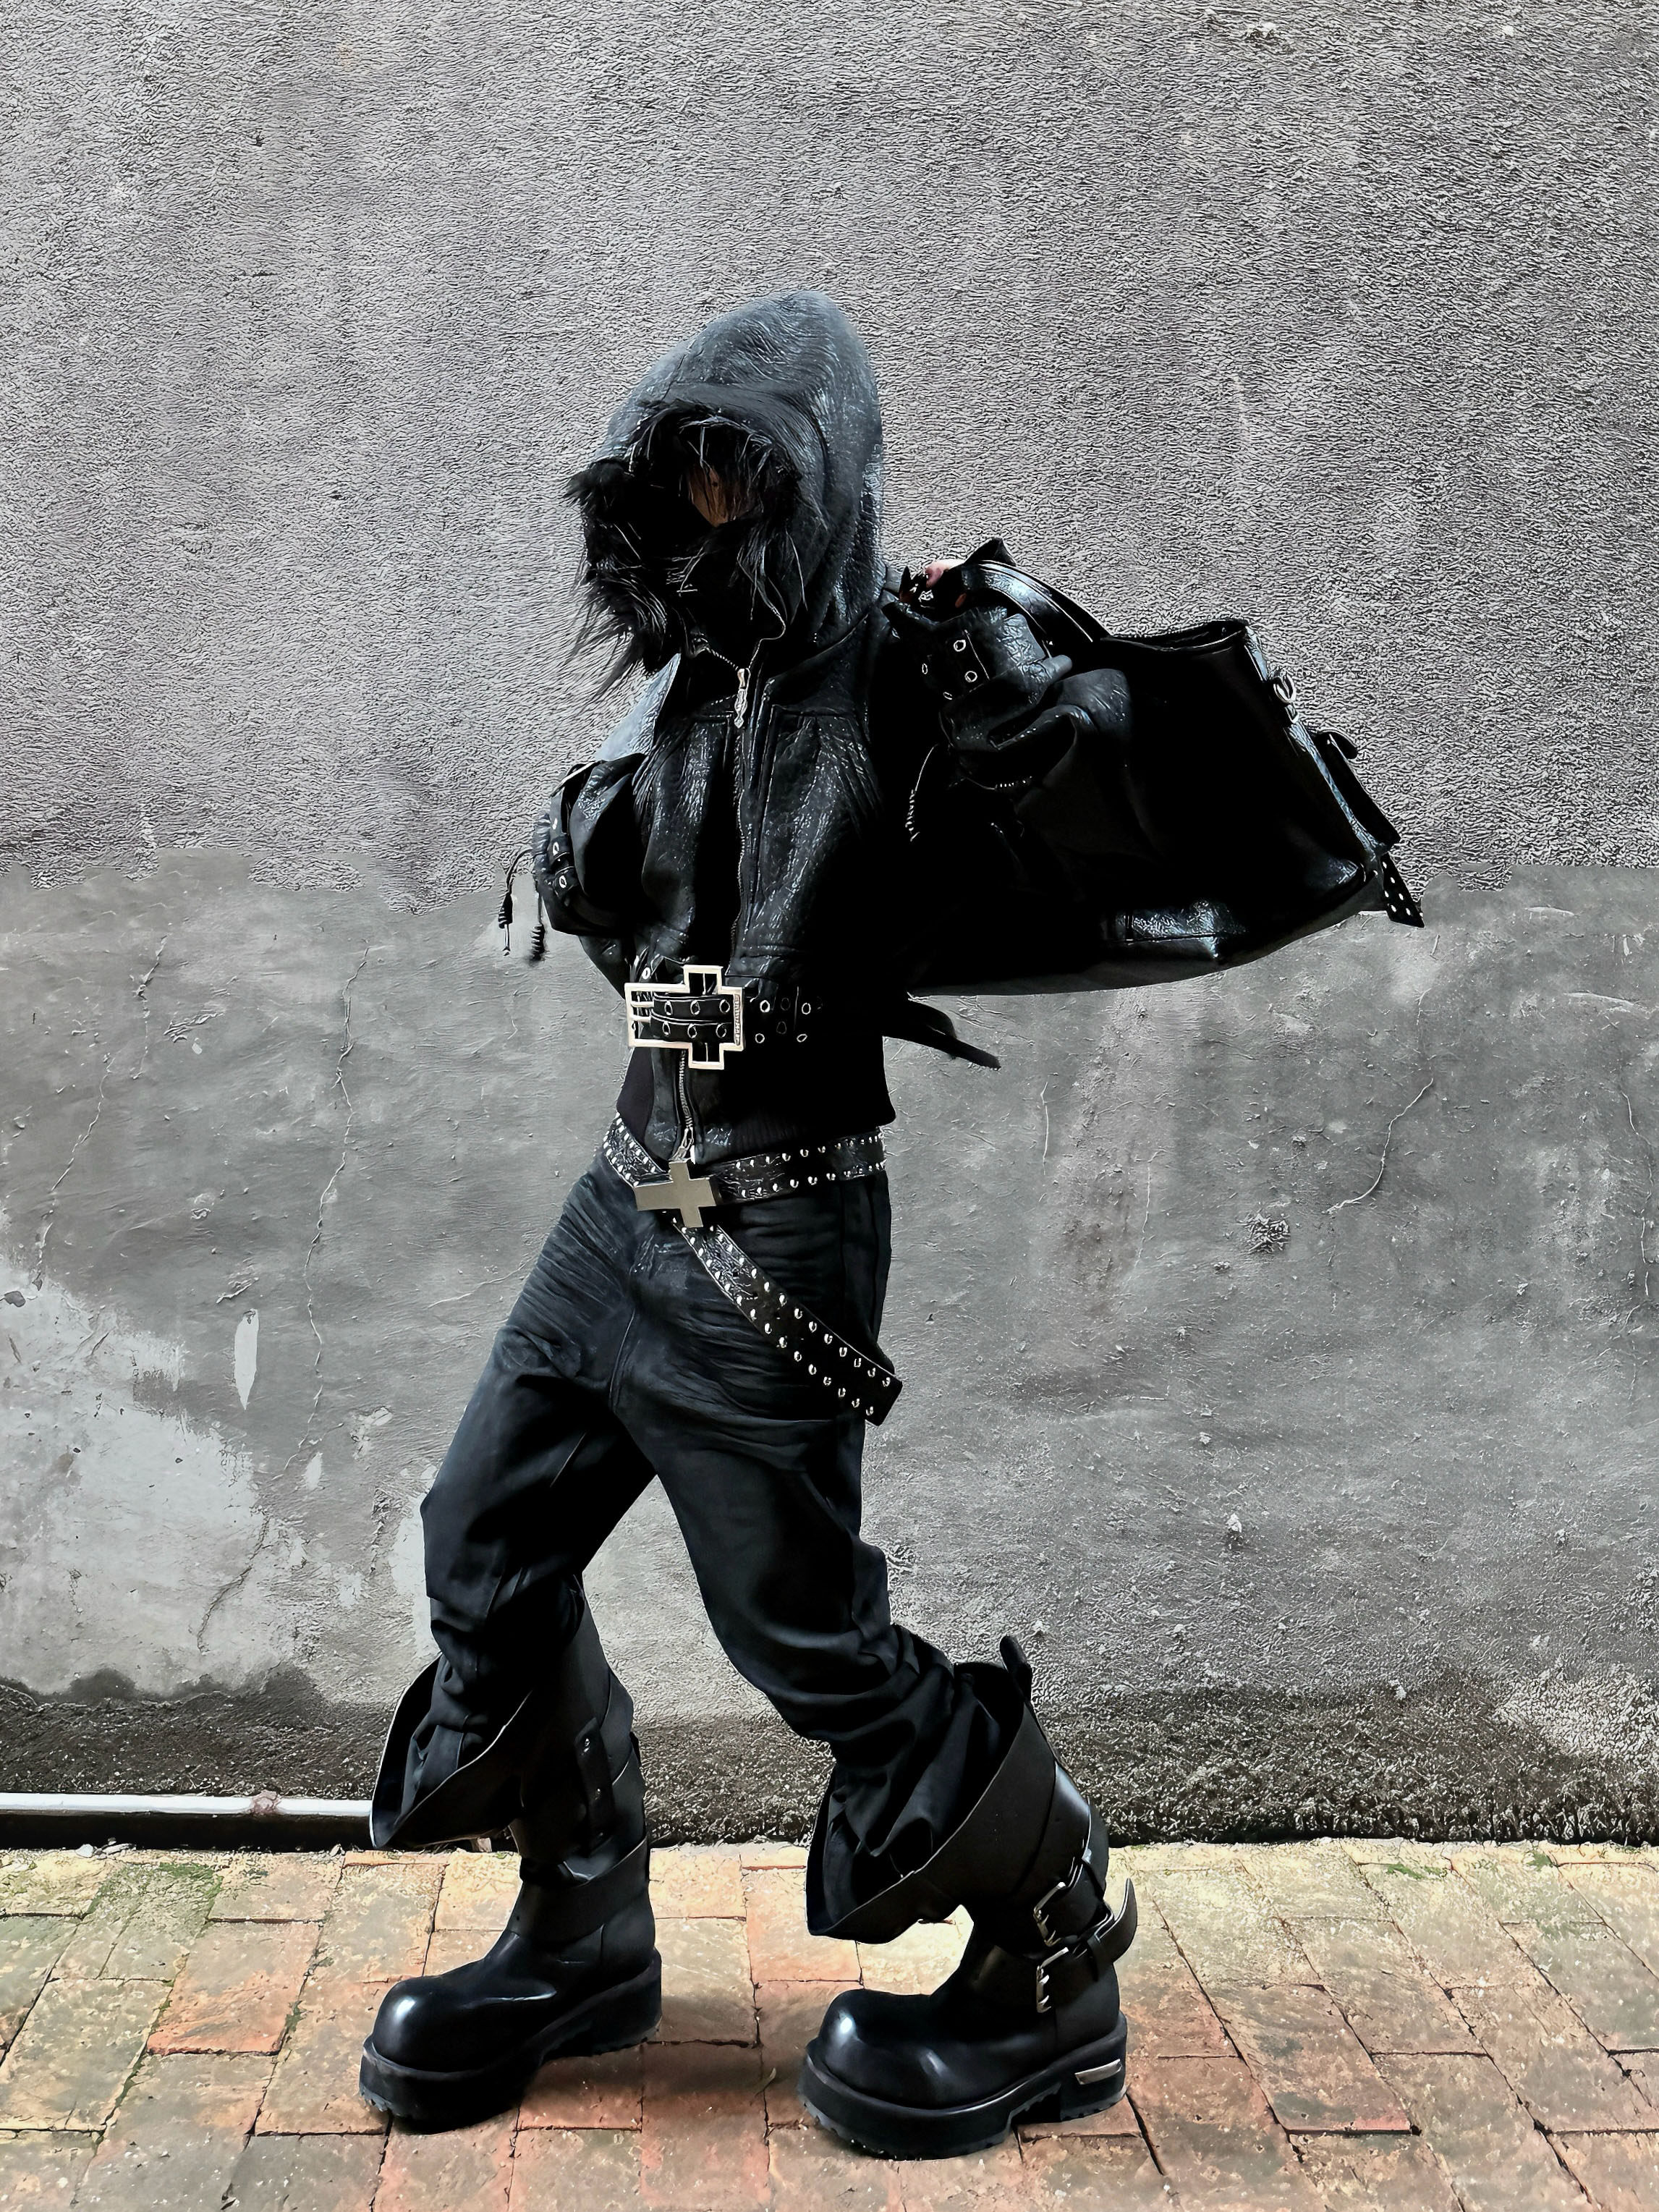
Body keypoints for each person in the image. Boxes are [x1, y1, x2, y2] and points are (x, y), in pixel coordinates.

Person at [355, 289, 1404, 2158]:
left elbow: (1084, 787)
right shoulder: (699, 686)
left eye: (734, 479)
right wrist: (577, 845)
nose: (703, 519)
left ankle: (1053, 1941)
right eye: (676, 486)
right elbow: (644, 878)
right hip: (625, 1195)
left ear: (809, 482)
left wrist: (1014, 676)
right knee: (481, 1542)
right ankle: (581, 1924)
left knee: (805, 1639)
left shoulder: (907, 681)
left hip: (771, 1230)